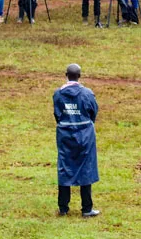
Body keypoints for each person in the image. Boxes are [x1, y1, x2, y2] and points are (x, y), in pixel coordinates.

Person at [53, 64, 100, 218]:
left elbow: (57, 114)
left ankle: (63, 208)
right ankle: (87, 208)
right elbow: (93, 112)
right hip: (85, 134)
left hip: (65, 134)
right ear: (79, 76)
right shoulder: (87, 93)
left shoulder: (58, 94)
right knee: (86, 167)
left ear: (66, 74)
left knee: (65, 167)